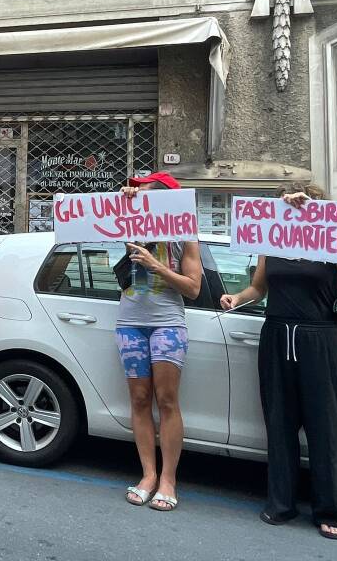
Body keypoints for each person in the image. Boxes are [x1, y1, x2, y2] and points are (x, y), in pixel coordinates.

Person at [220, 183, 337, 540]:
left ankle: (333, 510)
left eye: (294, 202)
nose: (290, 208)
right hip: (278, 335)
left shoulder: (331, 239)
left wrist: (312, 212)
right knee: (279, 422)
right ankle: (281, 502)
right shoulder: (271, 242)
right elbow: (258, 289)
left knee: (327, 425)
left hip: (320, 337)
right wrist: (237, 297)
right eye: (284, 203)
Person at [116, 172, 202, 512]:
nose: (141, 196)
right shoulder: (130, 224)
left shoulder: (185, 234)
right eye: (140, 192)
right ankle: (148, 475)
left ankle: (169, 479)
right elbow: (99, 217)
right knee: (139, 400)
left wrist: (157, 265)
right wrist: (123, 200)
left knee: (167, 400)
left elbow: (193, 288)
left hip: (167, 324)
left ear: (167, 199)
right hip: (129, 324)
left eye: (148, 192)